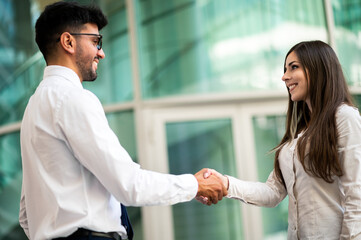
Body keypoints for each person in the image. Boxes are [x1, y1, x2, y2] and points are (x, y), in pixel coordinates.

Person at [19, 1, 226, 240]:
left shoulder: (33, 108)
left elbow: (25, 214)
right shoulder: (74, 98)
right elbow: (129, 185)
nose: (101, 52)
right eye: (96, 41)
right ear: (68, 42)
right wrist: (195, 185)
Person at [201, 40, 361, 239]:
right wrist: (225, 183)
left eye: (294, 67)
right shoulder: (298, 136)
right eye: (285, 69)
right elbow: (272, 192)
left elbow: (357, 193)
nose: (284, 77)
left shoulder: (344, 117)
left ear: (318, 68)